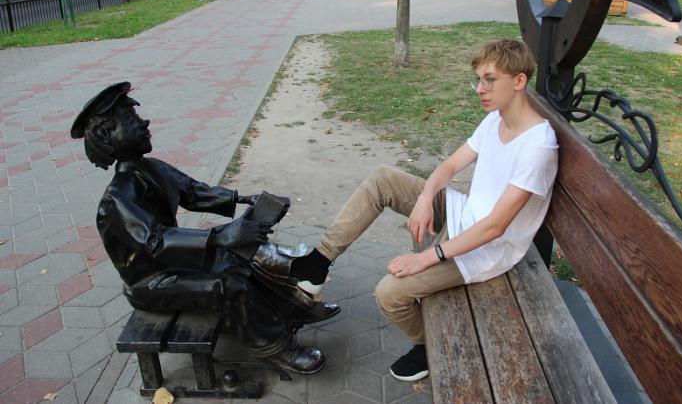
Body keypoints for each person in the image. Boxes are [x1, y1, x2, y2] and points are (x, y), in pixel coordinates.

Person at [288, 39, 559, 381]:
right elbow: (450, 166)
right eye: (478, 79)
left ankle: (429, 345)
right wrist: (424, 197)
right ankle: (318, 262)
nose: (480, 89)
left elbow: (495, 227)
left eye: (490, 80)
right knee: (383, 179)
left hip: (486, 250)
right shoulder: (496, 119)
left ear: (519, 81)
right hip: (464, 215)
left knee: (389, 294)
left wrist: (427, 257)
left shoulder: (537, 147)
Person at [70, 82, 340, 375]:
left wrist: (243, 199)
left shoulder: (151, 168)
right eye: (131, 119)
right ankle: (275, 346)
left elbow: (192, 191)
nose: (144, 122)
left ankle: (291, 310)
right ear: (106, 135)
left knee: (243, 256)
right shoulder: (118, 199)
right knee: (228, 283)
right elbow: (157, 241)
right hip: (152, 282)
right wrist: (220, 237)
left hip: (173, 263)